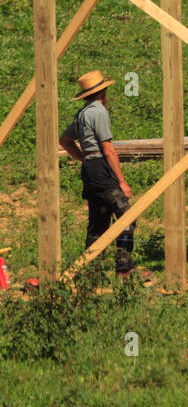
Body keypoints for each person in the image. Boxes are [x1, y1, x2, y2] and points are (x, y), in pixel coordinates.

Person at [59, 69, 136, 275]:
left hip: (89, 170)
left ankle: (92, 272)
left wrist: (84, 158)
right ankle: (124, 267)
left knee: (98, 222)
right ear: (103, 93)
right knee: (126, 213)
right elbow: (108, 149)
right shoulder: (99, 112)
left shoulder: (82, 113)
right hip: (101, 167)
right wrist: (122, 181)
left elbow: (64, 141)